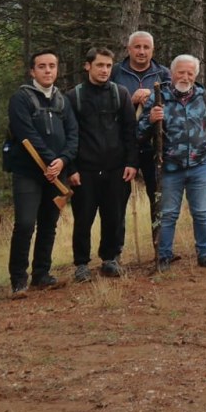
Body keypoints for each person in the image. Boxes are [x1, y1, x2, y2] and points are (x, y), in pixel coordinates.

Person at [142, 54, 206, 271]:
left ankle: (205, 252)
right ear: (171, 73)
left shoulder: (204, 97)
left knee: (201, 211)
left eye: (190, 73)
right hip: (169, 166)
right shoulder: (158, 97)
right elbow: (139, 132)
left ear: (195, 75)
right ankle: (164, 255)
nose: (185, 76)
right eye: (181, 72)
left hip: (200, 164)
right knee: (169, 213)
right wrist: (150, 120)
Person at [3, 50, 78, 296]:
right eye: (42, 66)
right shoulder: (20, 98)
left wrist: (62, 161)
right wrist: (49, 160)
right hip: (29, 172)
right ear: (32, 71)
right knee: (25, 224)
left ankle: (42, 274)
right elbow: (25, 133)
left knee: (49, 224)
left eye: (52, 66)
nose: (48, 70)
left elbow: (73, 134)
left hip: (57, 174)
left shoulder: (62, 100)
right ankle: (18, 279)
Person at [66, 47, 138, 280]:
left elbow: (130, 131)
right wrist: (71, 168)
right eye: (100, 65)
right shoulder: (73, 96)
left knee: (114, 216)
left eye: (108, 66)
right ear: (88, 66)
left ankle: (110, 259)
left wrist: (131, 163)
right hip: (85, 171)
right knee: (83, 218)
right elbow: (68, 136)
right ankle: (81, 265)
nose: (105, 70)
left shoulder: (121, 94)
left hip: (117, 169)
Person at [111, 31, 172, 259]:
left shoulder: (164, 74)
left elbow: (175, 101)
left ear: (152, 50)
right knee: (118, 201)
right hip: (123, 147)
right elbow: (105, 104)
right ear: (129, 49)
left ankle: (161, 249)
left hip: (155, 147)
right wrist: (128, 99)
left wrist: (157, 95)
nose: (141, 51)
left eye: (146, 47)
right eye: (137, 47)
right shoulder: (116, 72)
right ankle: (114, 254)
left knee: (158, 197)